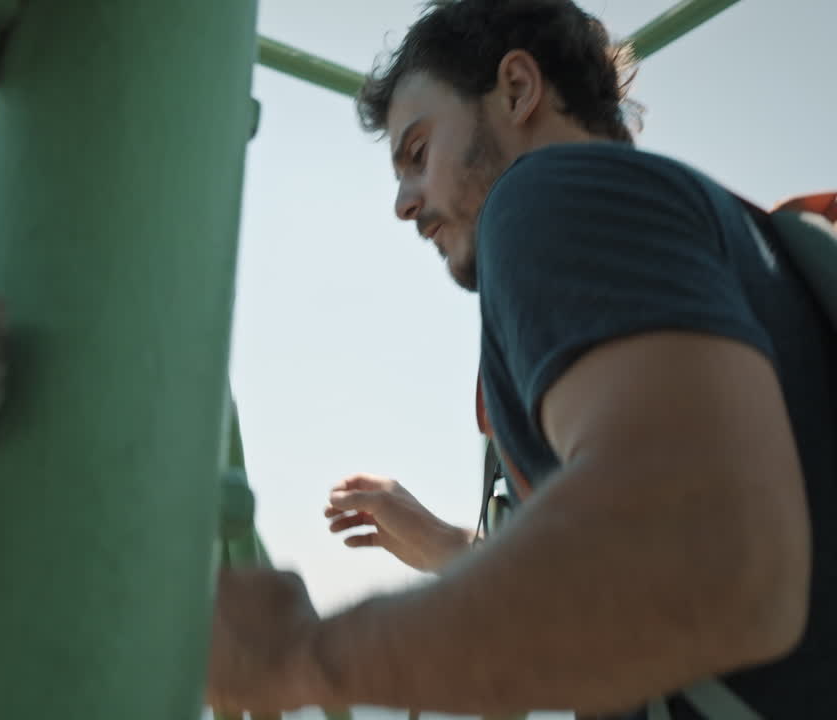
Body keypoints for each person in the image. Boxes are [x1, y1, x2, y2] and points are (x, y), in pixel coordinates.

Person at [205, 1, 836, 717]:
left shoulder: (546, 193)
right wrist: (448, 544)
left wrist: (296, 656)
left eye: (417, 153)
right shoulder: (722, 235)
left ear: (517, 90)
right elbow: (632, 572)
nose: (403, 205)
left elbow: (705, 561)